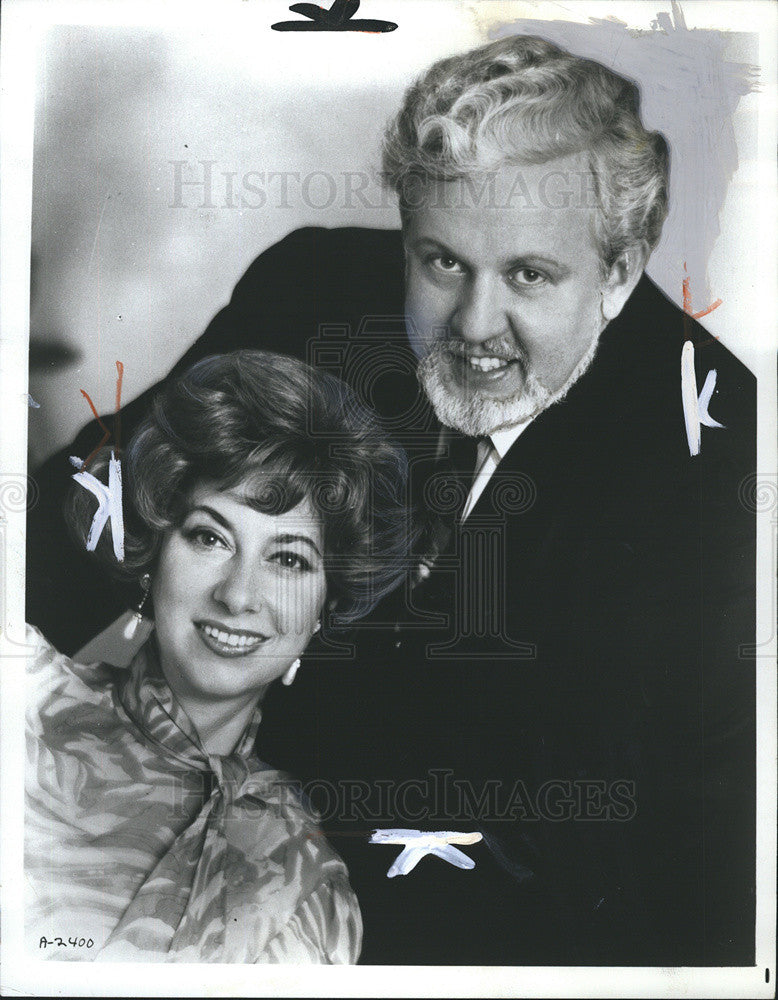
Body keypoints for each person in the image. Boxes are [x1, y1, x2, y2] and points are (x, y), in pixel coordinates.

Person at [27, 36, 756, 965]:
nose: (475, 326)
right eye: (441, 262)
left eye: (529, 274)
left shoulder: (720, 475)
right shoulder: (313, 294)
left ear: (618, 273)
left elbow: (666, 893)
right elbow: (64, 529)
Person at [25, 350, 410, 963]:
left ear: (323, 609)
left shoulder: (304, 885)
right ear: (154, 552)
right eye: (210, 536)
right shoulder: (21, 696)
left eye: (288, 560)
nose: (237, 595)